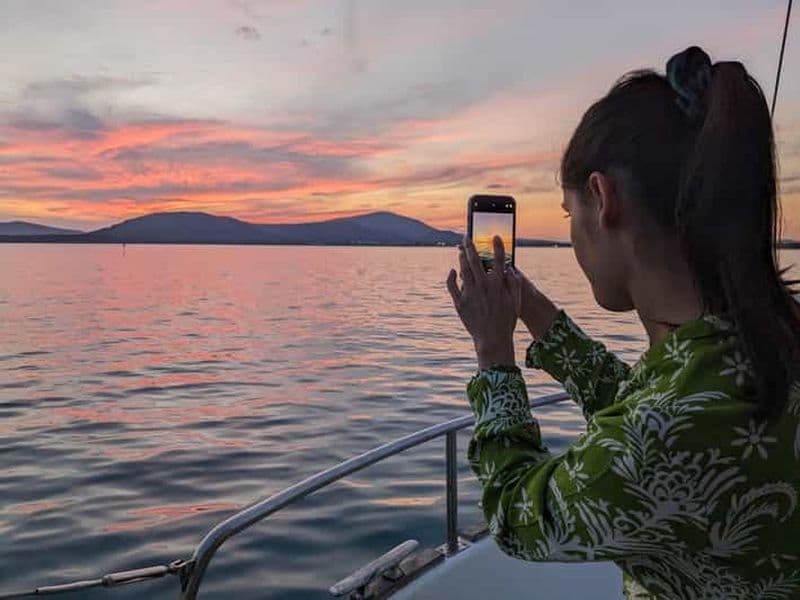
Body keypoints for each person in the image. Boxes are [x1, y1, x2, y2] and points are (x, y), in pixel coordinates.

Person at [446, 46, 800, 599]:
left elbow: (518, 516)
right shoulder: (762, 338)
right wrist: (536, 314)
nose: (572, 234)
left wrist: (494, 357)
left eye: (569, 215)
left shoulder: (668, 423)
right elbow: (642, 410)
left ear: (601, 198)